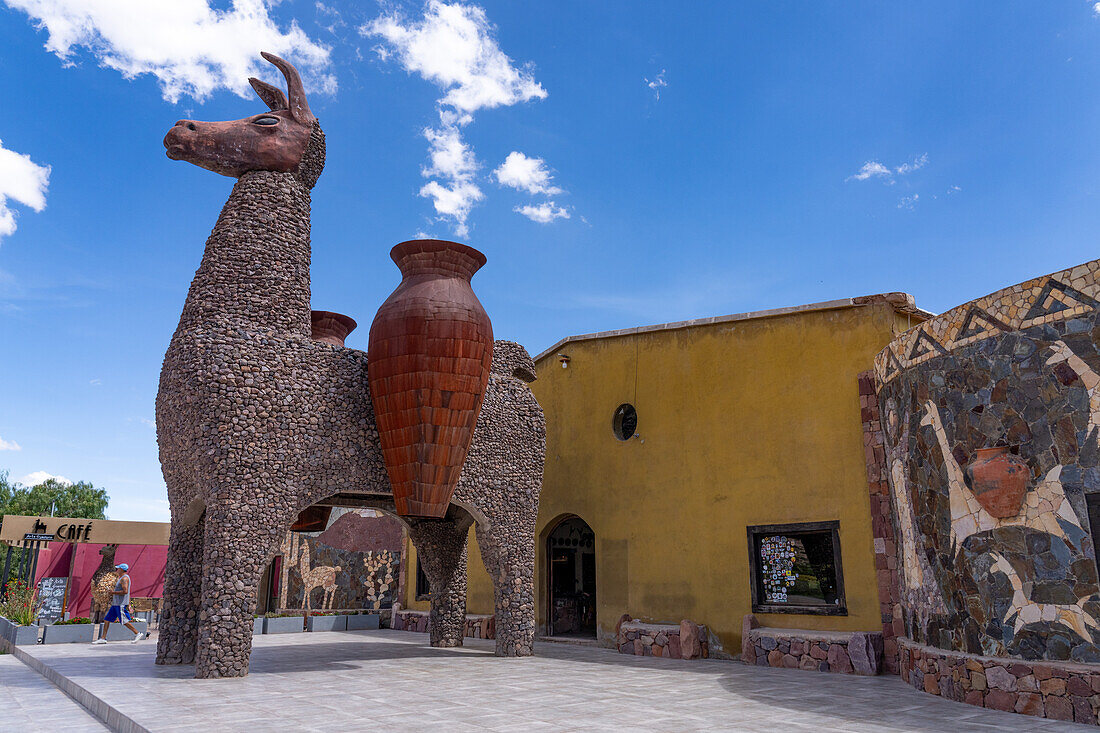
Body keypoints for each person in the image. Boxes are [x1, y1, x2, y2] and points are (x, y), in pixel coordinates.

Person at [92, 563, 148, 644]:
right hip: (116, 604)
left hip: (120, 604)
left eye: (118, 568)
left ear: (121, 569)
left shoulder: (124, 579)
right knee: (107, 620)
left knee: (124, 621)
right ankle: (103, 638)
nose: (117, 570)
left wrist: (113, 592)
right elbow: (128, 593)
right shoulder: (121, 578)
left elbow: (125, 591)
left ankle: (138, 633)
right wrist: (129, 604)